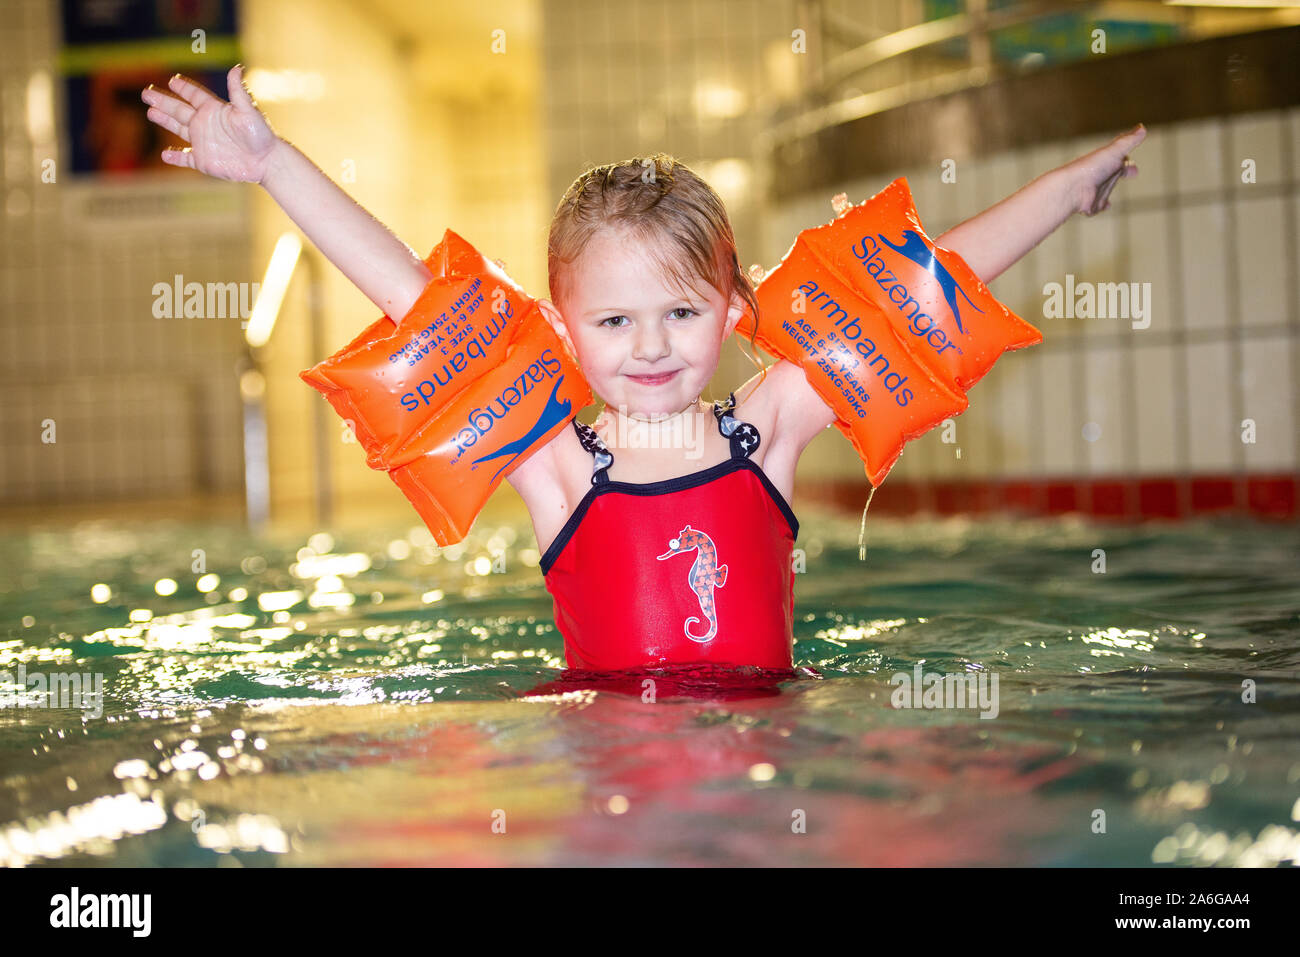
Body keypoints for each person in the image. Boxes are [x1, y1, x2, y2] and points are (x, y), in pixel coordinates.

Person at [141, 65, 1144, 678]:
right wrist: (275, 166)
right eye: (615, 320)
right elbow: (407, 292)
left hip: (768, 756)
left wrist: (1062, 190)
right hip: (604, 766)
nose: (652, 346)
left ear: (731, 305)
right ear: (563, 329)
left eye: (681, 312)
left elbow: (924, 292)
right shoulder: (556, 463)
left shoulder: (769, 428)